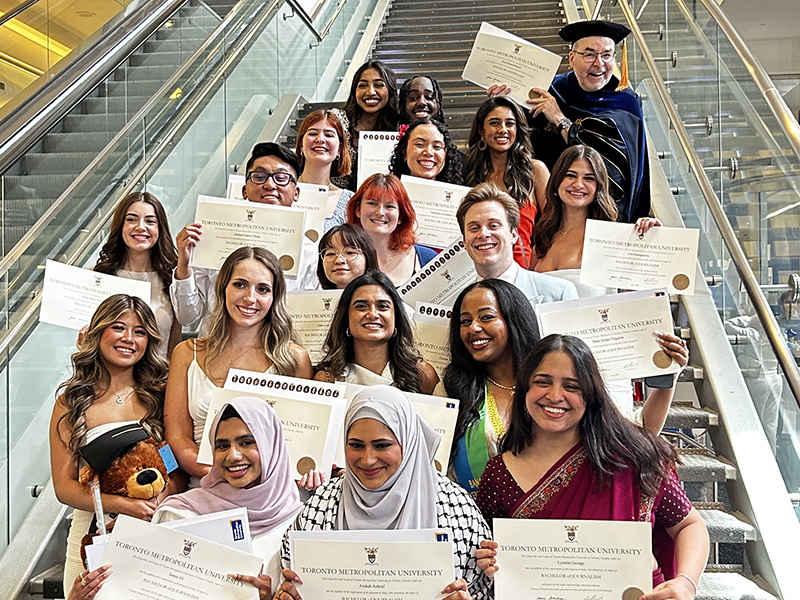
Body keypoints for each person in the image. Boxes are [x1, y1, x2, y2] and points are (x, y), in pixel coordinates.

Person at [475, 334, 709, 599]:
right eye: (542, 382)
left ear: (590, 396)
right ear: (524, 389)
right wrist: (488, 560)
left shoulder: (633, 458)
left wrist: (686, 582)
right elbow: (489, 547)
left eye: (572, 386)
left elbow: (688, 525)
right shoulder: (499, 474)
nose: (555, 396)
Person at [276, 385, 493, 600]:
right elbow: (293, 578)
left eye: (382, 445)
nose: (368, 459)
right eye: (356, 445)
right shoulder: (321, 506)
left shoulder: (456, 508)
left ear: (408, 443)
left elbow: (483, 590)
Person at [533, 146, 684, 432]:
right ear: (556, 183)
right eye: (570, 175)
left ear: (599, 186)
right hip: (552, 374)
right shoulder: (542, 237)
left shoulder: (614, 239)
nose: (579, 185)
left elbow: (639, 301)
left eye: (589, 178)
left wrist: (650, 243)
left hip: (603, 368)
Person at [49, 294, 171, 591]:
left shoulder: (160, 398)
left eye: (139, 331)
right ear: (98, 332)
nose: (129, 338)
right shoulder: (71, 402)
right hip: (91, 535)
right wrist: (120, 505)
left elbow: (171, 466)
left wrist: (160, 497)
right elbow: (64, 487)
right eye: (118, 327)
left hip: (153, 532)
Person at [164, 246, 313, 488]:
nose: (250, 298)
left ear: (274, 297)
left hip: (270, 490)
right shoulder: (186, 354)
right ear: (223, 288)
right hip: (204, 487)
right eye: (240, 285)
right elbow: (177, 438)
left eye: (262, 289)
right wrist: (221, 473)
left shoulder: (293, 359)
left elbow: (299, 439)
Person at [490, 20, 650, 222]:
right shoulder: (552, 90)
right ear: (572, 58)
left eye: (607, 55)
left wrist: (559, 119)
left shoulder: (625, 103)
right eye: (590, 54)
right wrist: (502, 103)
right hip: (544, 209)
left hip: (596, 215)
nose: (599, 64)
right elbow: (518, 136)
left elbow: (608, 168)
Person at [155, 397, 303, 598]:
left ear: (271, 445)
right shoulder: (182, 514)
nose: (233, 456)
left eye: (246, 442)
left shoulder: (300, 523)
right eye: (222, 446)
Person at [171, 143, 318, 334]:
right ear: (244, 190)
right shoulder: (211, 236)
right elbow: (187, 316)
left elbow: (305, 318)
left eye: (281, 178)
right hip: (216, 351)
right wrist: (184, 265)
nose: (270, 185)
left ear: (296, 193)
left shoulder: (307, 250)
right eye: (259, 177)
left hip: (275, 354)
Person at [440, 279, 541, 495]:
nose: (473, 328)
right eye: (465, 321)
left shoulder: (548, 382)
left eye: (486, 317)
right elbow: (438, 467)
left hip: (547, 519)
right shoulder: (451, 390)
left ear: (514, 320)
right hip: (477, 518)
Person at [314, 271, 439, 394]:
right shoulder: (326, 379)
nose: (372, 314)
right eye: (361, 306)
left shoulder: (422, 375)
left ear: (396, 318)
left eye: (382, 306)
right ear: (346, 318)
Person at [456, 182, 578, 306]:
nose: (483, 234)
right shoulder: (455, 303)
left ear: (514, 235)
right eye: (474, 228)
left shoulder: (559, 294)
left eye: (493, 225)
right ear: (464, 241)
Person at [465, 97, 549, 269]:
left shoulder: (535, 170)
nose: (503, 130)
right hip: (478, 270)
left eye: (510, 123)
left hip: (523, 269)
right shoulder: (469, 174)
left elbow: (554, 225)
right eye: (495, 123)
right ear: (481, 130)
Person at [93, 191, 180, 356]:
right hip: (109, 378)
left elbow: (174, 343)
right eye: (131, 219)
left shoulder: (172, 279)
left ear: (160, 228)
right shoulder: (99, 275)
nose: (140, 227)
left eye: (150, 221)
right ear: (120, 226)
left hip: (157, 378)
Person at [347, 173, 436, 285]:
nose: (380, 212)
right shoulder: (341, 260)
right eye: (372, 203)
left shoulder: (428, 259)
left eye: (389, 206)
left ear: (401, 216)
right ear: (358, 210)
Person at [332, 60, 399, 191]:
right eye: (362, 86)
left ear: (390, 90)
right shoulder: (336, 122)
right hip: (333, 199)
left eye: (379, 85)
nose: (370, 92)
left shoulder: (397, 128)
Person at [294, 109, 354, 231]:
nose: (320, 139)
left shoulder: (350, 201)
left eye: (329, 135)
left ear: (339, 149)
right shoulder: (282, 191)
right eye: (312, 133)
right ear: (301, 144)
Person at [388, 118, 464, 185]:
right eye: (420, 144)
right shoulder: (388, 195)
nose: (428, 152)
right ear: (404, 152)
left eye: (437, 146)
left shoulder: (458, 198)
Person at [316, 224, 379, 290]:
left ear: (368, 258)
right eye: (331, 254)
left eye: (350, 253)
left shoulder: (383, 297)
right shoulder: (312, 299)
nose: (339, 260)